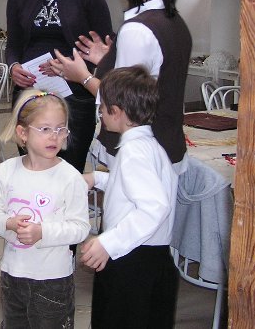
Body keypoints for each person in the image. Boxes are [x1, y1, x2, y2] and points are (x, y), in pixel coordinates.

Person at [52, 0, 193, 169]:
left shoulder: (138, 29)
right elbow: (151, 74)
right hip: (168, 145)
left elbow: (123, 103)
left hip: (141, 154)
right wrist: (108, 59)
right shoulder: (175, 22)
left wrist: (82, 76)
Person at [6, 0, 113, 173]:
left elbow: (106, 49)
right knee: (32, 171)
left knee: (69, 173)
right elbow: (13, 45)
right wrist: (13, 67)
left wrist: (76, 69)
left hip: (76, 98)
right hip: (31, 95)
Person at [0, 89, 90, 328]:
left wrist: (43, 232)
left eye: (61, 129)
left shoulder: (70, 177)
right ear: (23, 133)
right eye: (45, 129)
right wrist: (8, 223)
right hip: (12, 274)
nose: (54, 136)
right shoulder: (8, 170)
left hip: (53, 280)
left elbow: (81, 227)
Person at [81, 66, 178, 328]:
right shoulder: (149, 146)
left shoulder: (134, 153)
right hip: (150, 258)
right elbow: (133, 186)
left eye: (102, 108)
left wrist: (108, 243)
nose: (100, 113)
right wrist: (97, 178)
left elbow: (154, 207)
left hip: (133, 262)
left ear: (117, 112)